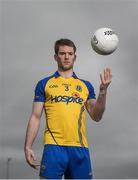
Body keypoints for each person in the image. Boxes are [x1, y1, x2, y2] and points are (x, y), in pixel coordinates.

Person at [24, 38, 112, 179]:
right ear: (55, 57)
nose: (66, 57)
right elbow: (35, 117)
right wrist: (28, 146)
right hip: (54, 147)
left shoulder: (85, 86)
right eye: (62, 53)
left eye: (70, 54)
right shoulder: (44, 84)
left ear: (75, 57)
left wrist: (103, 92)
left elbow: (96, 116)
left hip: (80, 148)